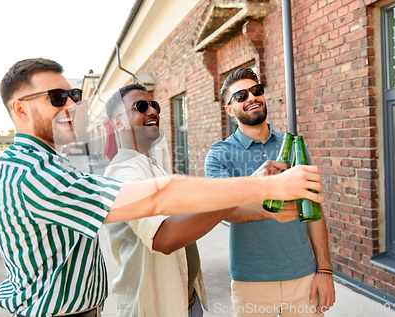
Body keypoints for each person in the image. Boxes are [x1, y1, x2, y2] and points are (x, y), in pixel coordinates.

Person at [0, 58, 325, 317]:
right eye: (57, 96)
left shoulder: (64, 164)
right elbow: (164, 223)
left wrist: (261, 207)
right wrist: (257, 187)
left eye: (73, 95)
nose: (70, 106)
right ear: (19, 108)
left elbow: (182, 207)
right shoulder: (43, 171)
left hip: (172, 301)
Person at [103, 84, 299, 317]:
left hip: (187, 301)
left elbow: (193, 216)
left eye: (154, 105)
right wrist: (251, 188)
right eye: (141, 106)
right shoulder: (123, 172)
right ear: (119, 122)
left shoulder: (152, 166)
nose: (153, 111)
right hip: (156, 308)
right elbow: (164, 238)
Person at [205, 68, 336, 316]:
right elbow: (223, 209)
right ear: (229, 110)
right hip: (252, 281)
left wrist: (325, 269)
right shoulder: (220, 153)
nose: (251, 97)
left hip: (303, 276)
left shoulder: (292, 144)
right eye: (241, 96)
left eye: (256, 91)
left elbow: (314, 209)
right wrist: (270, 207)